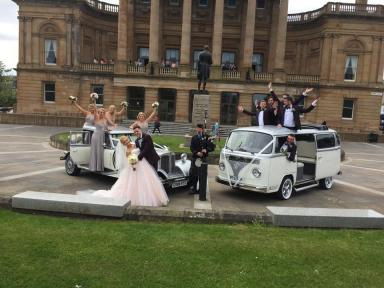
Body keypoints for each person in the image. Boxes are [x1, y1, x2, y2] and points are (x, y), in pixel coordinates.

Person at [91, 136, 169, 207]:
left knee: (147, 181)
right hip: (134, 168)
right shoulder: (127, 151)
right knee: (134, 184)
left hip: (144, 165)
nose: (127, 142)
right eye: (125, 142)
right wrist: (134, 166)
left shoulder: (135, 144)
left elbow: (143, 150)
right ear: (123, 144)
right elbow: (129, 161)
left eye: (127, 140)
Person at [89, 107, 114, 172]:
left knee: (100, 151)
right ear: (98, 113)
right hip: (96, 136)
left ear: (104, 113)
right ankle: (94, 167)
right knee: (95, 150)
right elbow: (94, 109)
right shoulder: (96, 118)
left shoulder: (105, 120)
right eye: (99, 112)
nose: (101, 113)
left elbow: (106, 127)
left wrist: (108, 129)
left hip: (102, 136)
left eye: (102, 112)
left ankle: (99, 167)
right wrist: (94, 99)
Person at [189, 124, 209, 194]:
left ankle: (201, 190)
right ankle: (193, 188)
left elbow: (211, 147)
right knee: (194, 174)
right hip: (195, 158)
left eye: (200, 129)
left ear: (202, 129)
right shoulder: (194, 137)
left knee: (202, 175)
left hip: (203, 159)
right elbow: (191, 148)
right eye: (197, 128)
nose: (198, 130)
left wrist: (206, 150)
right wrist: (196, 153)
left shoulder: (206, 137)